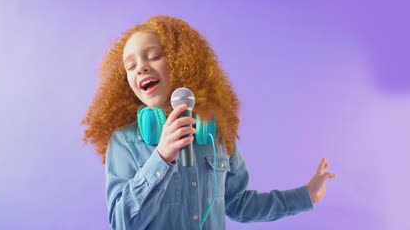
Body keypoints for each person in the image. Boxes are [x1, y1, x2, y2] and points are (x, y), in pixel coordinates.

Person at [82, 15, 336, 229]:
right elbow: (121, 223)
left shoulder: (214, 132)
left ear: (183, 62)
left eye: (153, 56)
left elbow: (238, 203)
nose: (141, 68)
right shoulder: (124, 142)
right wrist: (161, 157)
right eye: (130, 66)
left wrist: (307, 196)